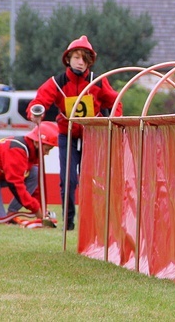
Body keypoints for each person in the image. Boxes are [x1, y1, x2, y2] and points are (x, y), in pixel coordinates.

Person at [27, 35, 121, 231]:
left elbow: (115, 102)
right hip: (67, 136)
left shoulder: (98, 81)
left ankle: (94, 223)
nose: (80, 62)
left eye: (84, 59)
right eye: (76, 57)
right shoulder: (57, 82)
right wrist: (36, 111)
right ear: (68, 59)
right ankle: (68, 223)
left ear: (89, 62)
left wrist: (115, 121)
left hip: (93, 137)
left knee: (94, 180)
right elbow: (39, 101)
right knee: (68, 181)